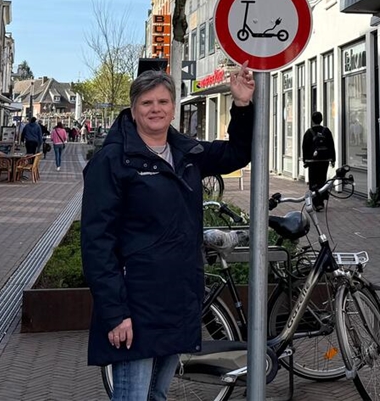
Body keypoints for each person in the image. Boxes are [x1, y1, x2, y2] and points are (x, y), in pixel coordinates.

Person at [82, 65, 256, 401]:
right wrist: (115, 313)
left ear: (173, 108)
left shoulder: (187, 154)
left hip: (176, 301)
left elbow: (237, 152)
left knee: (157, 396)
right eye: (147, 103)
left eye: (163, 101)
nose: (156, 109)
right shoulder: (113, 161)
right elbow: (97, 242)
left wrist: (242, 105)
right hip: (136, 303)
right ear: (133, 110)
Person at [301, 111, 335, 211]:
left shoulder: (309, 132)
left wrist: (305, 161)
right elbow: (331, 145)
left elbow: (305, 147)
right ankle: (321, 201)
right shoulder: (326, 131)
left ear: (312, 120)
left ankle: (315, 202)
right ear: (321, 119)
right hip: (324, 160)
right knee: (322, 180)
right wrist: (332, 159)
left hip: (312, 161)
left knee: (313, 181)